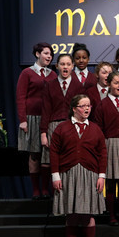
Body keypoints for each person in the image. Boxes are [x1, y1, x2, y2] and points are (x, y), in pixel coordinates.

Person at [50, 94, 107, 237]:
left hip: (90, 174)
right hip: (68, 173)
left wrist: (101, 176)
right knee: (72, 213)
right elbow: (54, 152)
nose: (87, 109)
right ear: (74, 109)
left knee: (88, 213)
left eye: (89, 106)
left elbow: (102, 153)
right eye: (83, 106)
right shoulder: (62, 128)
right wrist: (55, 175)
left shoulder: (95, 129)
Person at [92, 71, 119, 225]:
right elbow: (98, 127)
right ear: (109, 84)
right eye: (116, 82)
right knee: (111, 182)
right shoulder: (102, 105)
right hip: (109, 143)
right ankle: (111, 215)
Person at [40, 53, 85, 199]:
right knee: (50, 160)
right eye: (62, 64)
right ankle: (48, 192)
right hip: (53, 126)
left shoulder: (78, 85)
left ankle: (69, 194)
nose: (65, 67)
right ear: (57, 66)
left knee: (69, 160)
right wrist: (43, 133)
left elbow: (82, 109)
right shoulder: (50, 85)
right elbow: (45, 110)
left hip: (71, 126)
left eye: (68, 64)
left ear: (73, 66)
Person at [16, 42, 56, 199]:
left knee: (46, 154)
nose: (49, 56)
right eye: (46, 53)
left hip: (48, 120)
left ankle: (45, 189)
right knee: (34, 154)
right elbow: (20, 97)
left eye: (51, 54)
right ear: (37, 54)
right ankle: (35, 190)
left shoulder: (53, 75)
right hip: (32, 119)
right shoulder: (27, 73)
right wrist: (23, 120)